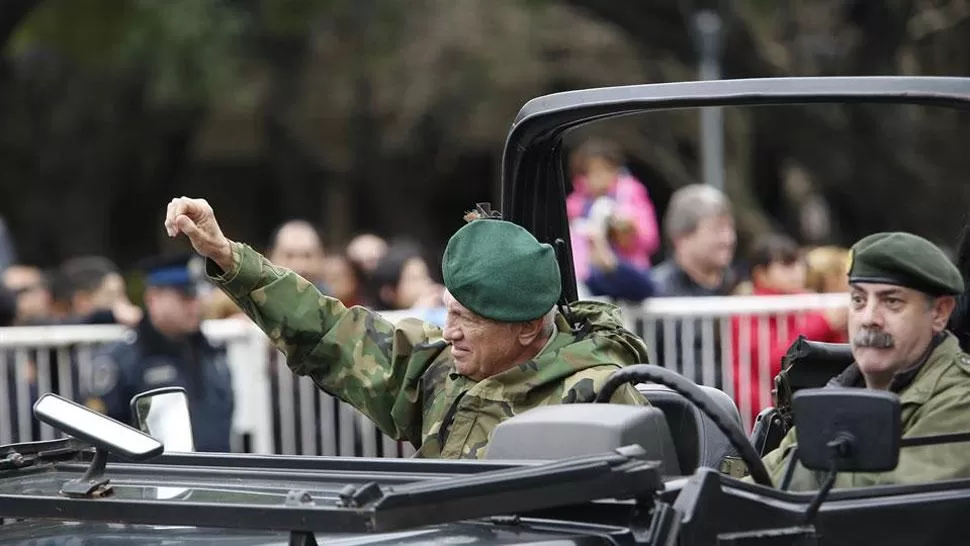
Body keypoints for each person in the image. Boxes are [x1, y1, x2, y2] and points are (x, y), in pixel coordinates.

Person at [164, 197, 650, 459]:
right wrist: (227, 256)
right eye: (449, 311)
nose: (450, 330)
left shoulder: (597, 398)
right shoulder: (440, 369)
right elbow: (330, 331)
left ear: (526, 329)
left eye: (469, 319)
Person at [756, 231, 970, 490]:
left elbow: (887, 504)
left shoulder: (960, 399)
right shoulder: (842, 390)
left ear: (939, 312)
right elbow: (757, 481)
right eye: (858, 300)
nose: (869, 318)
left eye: (892, 302)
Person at [83, 253, 234, 453]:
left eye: (198, 296)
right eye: (186, 296)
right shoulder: (121, 360)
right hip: (151, 479)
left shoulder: (211, 351)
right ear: (153, 299)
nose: (196, 305)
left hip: (215, 477)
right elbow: (99, 435)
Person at [729, 234, 848, 427]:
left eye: (798, 263)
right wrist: (824, 323)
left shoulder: (810, 303)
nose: (796, 271)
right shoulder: (748, 310)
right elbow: (771, 362)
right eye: (786, 264)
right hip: (761, 415)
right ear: (761, 273)